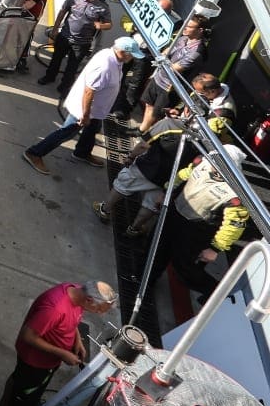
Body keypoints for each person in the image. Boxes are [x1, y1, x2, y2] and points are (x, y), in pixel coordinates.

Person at [0, 281, 118, 406]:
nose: (99, 314)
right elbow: (28, 336)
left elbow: (73, 319)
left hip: (43, 363)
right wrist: (62, 353)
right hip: (35, 363)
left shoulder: (77, 292)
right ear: (90, 300)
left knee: (17, 381)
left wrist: (76, 340)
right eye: (99, 310)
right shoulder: (54, 308)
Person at [92, 91, 219, 235]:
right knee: (151, 204)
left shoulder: (170, 124)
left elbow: (143, 145)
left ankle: (104, 210)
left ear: (188, 109)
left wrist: (131, 156)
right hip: (169, 178)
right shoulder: (208, 139)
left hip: (147, 166)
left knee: (122, 185)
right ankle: (134, 228)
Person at [23, 36, 144, 173]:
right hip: (84, 109)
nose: (133, 59)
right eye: (132, 55)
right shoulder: (105, 66)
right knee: (65, 132)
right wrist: (85, 115)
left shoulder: (114, 58)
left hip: (96, 111)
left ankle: (82, 152)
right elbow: (88, 91)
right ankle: (35, 153)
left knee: (92, 130)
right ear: (124, 52)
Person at [143, 148, 250, 300]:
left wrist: (215, 249)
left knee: (185, 268)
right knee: (155, 249)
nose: (214, 164)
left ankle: (217, 296)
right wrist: (166, 192)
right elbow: (181, 176)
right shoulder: (202, 161)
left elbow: (234, 225)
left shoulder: (236, 194)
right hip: (174, 214)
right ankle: (146, 281)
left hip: (196, 230)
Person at [39, 0, 113, 94]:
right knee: (55, 60)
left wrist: (101, 25)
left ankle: (64, 86)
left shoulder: (103, 7)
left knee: (72, 67)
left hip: (82, 43)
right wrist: (54, 29)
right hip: (64, 37)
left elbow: (109, 24)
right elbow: (62, 12)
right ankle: (49, 77)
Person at [138, 15, 208, 133]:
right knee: (149, 104)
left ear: (200, 30)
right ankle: (141, 130)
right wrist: (163, 58)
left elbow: (177, 68)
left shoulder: (198, 51)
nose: (184, 28)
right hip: (159, 78)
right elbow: (167, 51)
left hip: (170, 87)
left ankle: (148, 136)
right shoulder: (182, 38)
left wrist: (164, 60)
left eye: (189, 27)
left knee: (158, 113)